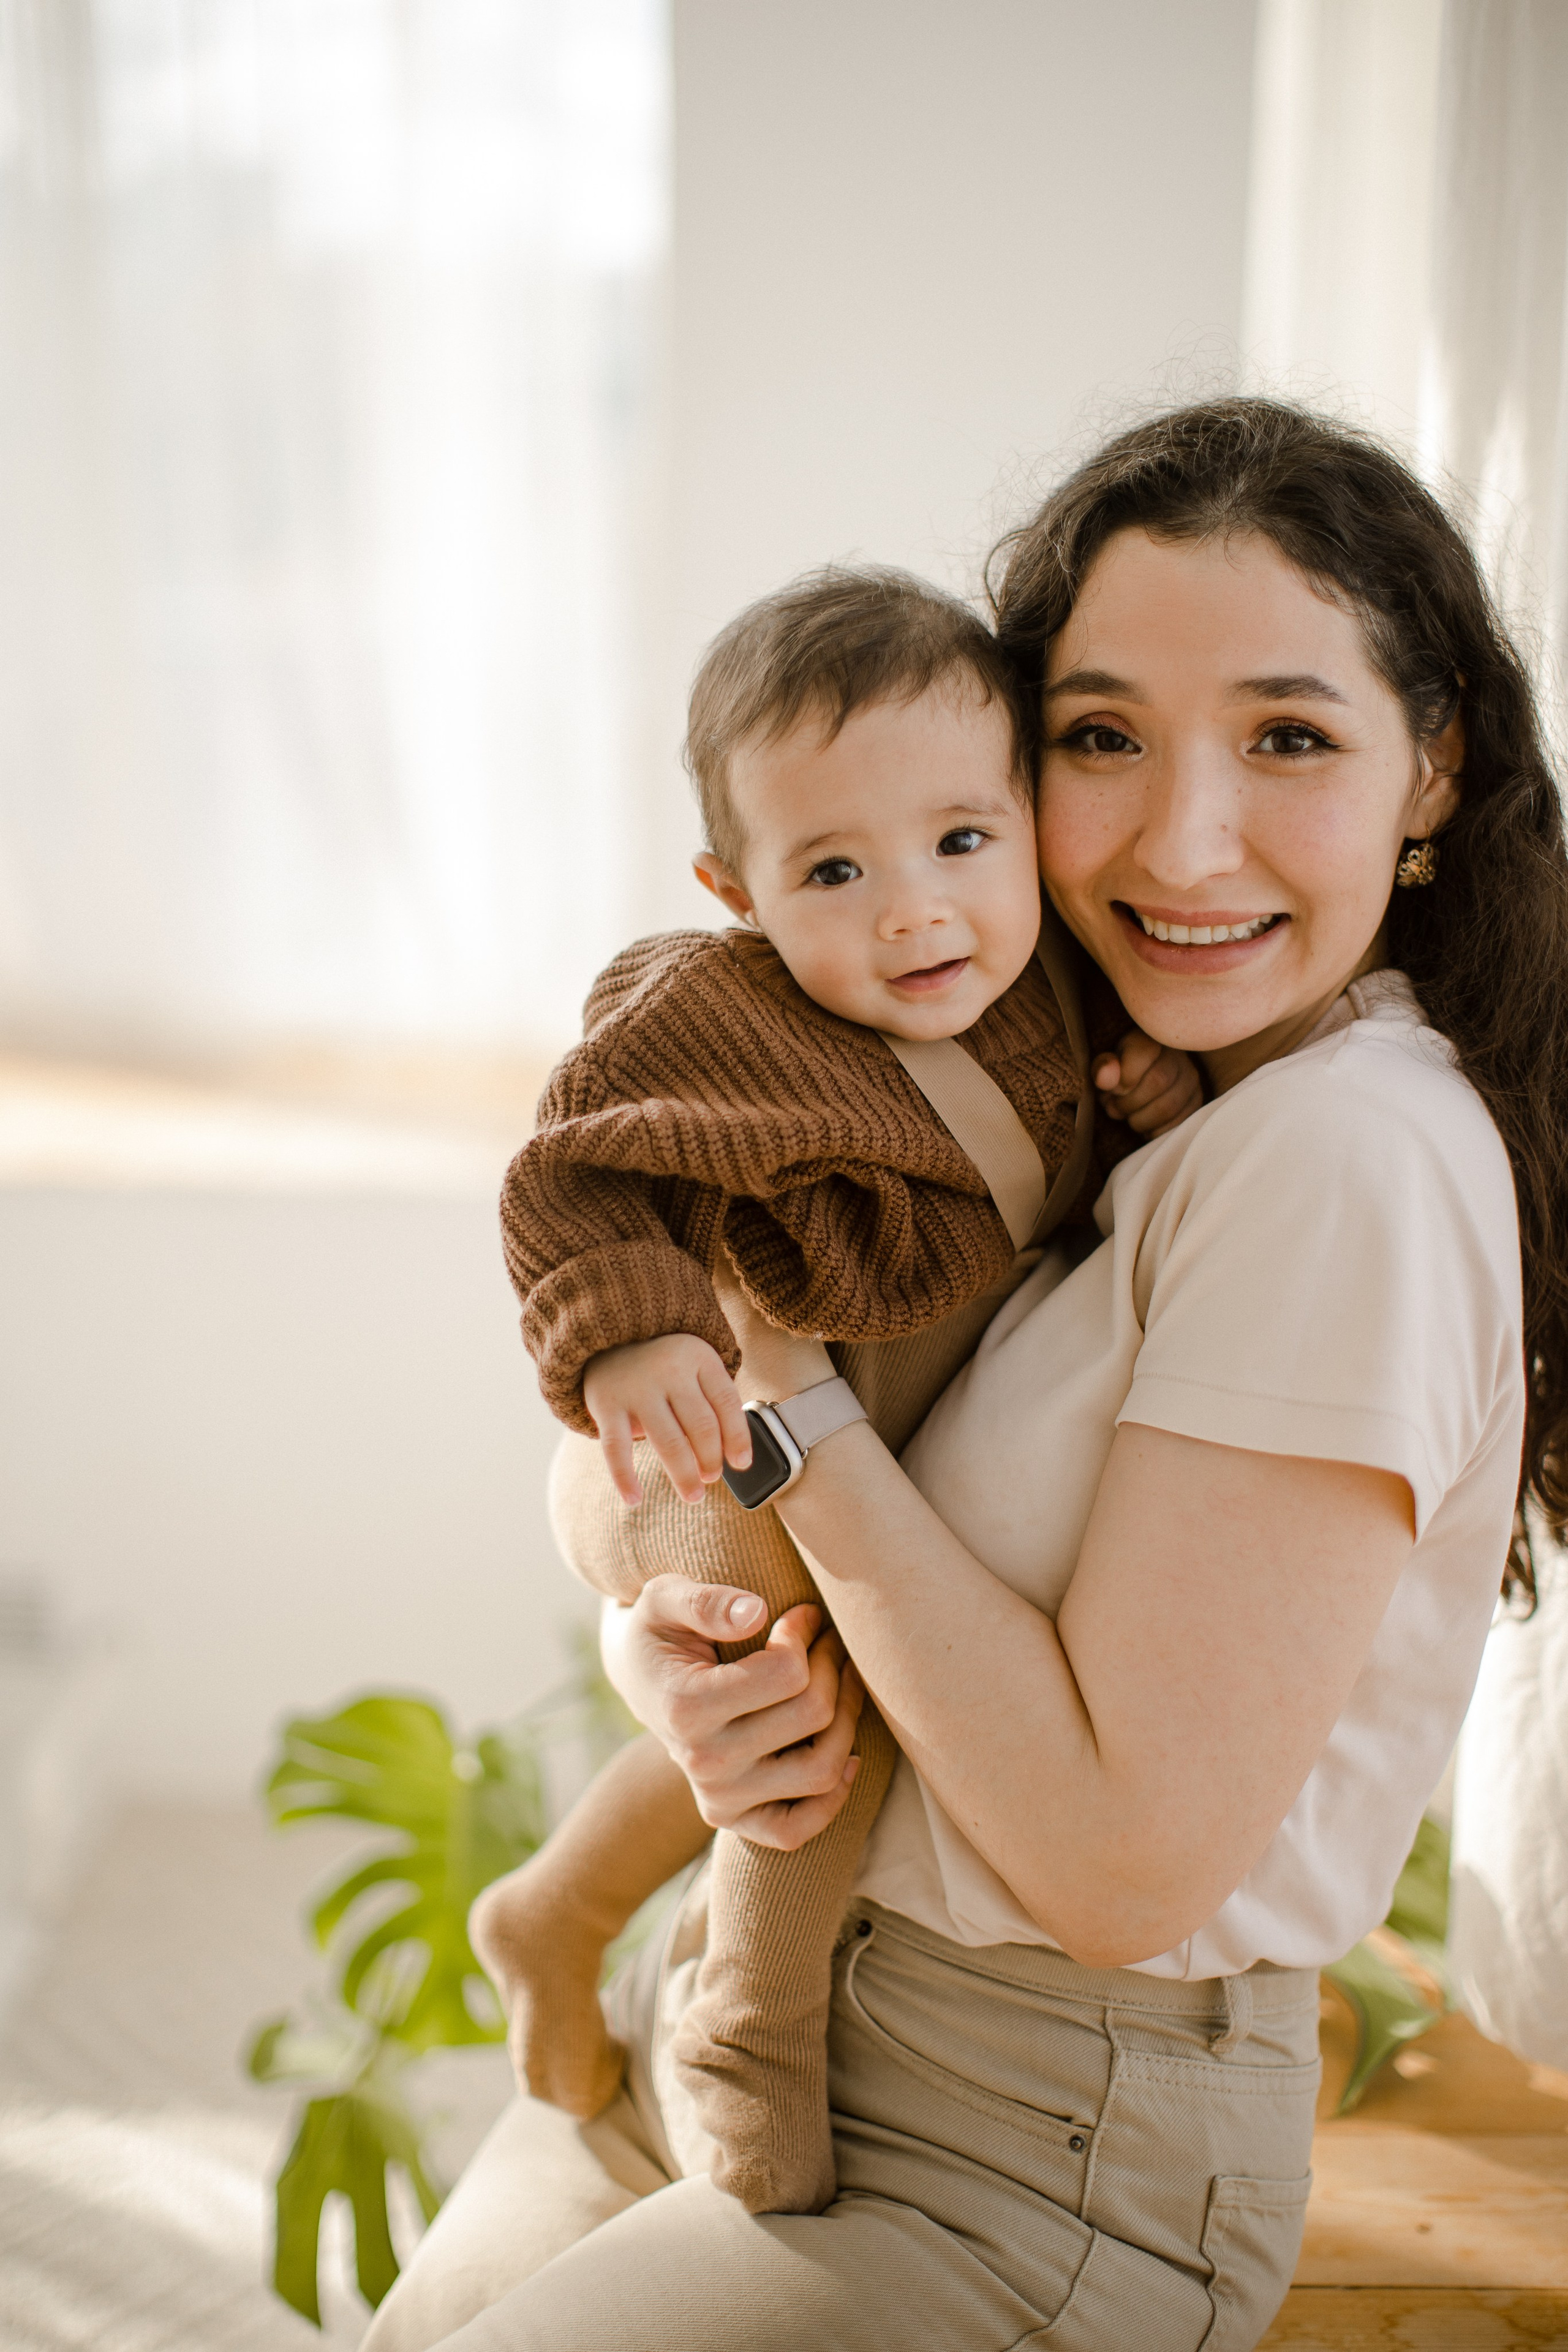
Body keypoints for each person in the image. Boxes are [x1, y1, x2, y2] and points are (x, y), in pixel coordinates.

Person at [361, 398, 1567, 2352]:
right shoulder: (1110, 1082)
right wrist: (672, 1659)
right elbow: (711, 1483)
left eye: (1288, 737)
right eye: (1102, 738)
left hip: (1017, 2149)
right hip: (753, 2006)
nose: (1182, 840)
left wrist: (782, 1402)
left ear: (1431, 766)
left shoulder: (1349, 1152)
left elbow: (1117, 1862)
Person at [477, 566, 1197, 2217]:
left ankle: (555, 1908)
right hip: (698, 1438)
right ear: (738, 891)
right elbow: (570, 1169)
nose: (913, 913)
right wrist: (637, 1332)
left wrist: (1148, 1093)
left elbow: (1053, 1144)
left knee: (849, 1644)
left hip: (832, 1439)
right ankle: (748, 2025)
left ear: (1027, 821)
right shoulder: (717, 1014)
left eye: (961, 840)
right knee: (817, 1663)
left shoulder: (1053, 978)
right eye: (834, 871)